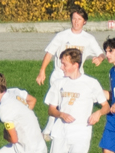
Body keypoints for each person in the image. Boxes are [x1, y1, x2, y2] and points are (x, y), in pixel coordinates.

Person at [36, 6, 105, 138]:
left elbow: (101, 54)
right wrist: (42, 71)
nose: (76, 21)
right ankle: (48, 131)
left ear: (84, 21)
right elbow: (49, 53)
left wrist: (100, 58)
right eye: (74, 19)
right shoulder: (62, 36)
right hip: (59, 74)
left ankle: (65, 129)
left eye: (79, 19)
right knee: (57, 103)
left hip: (77, 77)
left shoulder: (88, 39)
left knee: (70, 103)